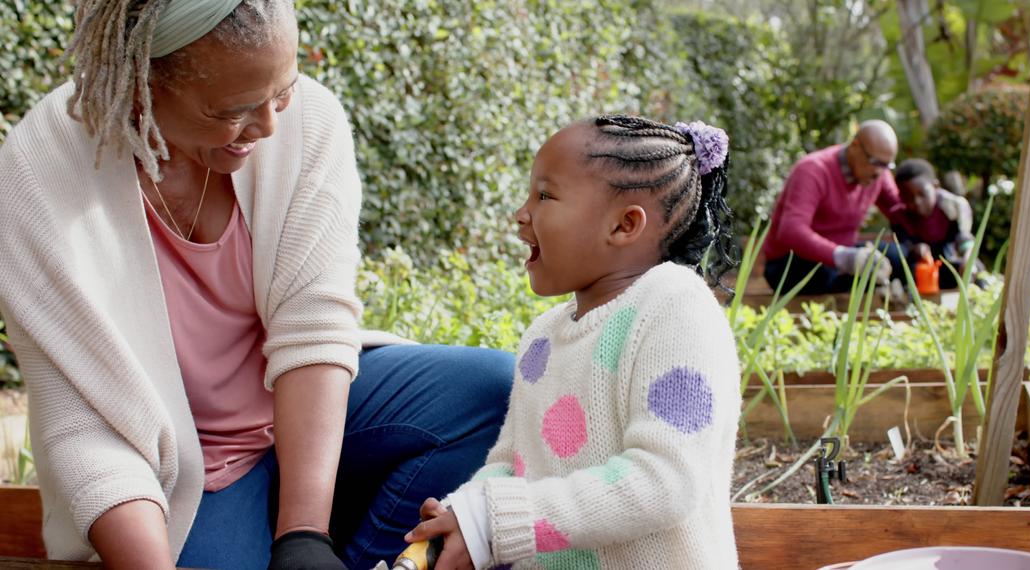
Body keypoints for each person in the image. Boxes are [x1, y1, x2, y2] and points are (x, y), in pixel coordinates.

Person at [0, 2, 513, 569]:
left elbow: (313, 326)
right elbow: (83, 428)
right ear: (145, 83)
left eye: (282, 93)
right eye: (234, 110)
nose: (270, 125)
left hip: (306, 415)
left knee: (490, 390)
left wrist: (304, 538)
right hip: (177, 474)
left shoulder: (308, 121)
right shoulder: (36, 172)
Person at [404, 116, 743, 569]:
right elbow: (510, 465)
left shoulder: (676, 308)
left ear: (624, 225)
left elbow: (665, 480)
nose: (521, 214)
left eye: (544, 196)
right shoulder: (543, 337)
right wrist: (464, 513)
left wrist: (497, 519)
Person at [761, 120, 906, 294]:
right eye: (875, 162)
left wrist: (937, 200)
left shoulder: (878, 173)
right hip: (792, 263)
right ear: (855, 146)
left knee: (898, 257)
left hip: (842, 256)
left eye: (887, 166)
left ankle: (868, 287)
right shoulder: (813, 169)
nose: (879, 173)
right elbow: (791, 230)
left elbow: (901, 211)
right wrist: (843, 257)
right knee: (823, 273)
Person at [891, 159, 976, 289]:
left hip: (949, 262)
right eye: (908, 197)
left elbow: (964, 238)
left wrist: (968, 257)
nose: (917, 202)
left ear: (935, 186)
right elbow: (904, 245)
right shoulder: (899, 216)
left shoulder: (953, 207)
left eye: (922, 194)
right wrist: (916, 248)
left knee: (974, 269)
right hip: (920, 269)